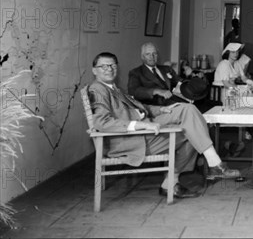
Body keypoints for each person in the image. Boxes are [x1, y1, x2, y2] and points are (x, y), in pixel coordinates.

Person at [88, 52, 240, 199]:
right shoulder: (98, 89)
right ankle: (205, 168)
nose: (109, 69)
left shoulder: (113, 88)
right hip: (130, 140)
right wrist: (141, 125)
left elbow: (141, 108)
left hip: (145, 127)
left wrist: (161, 109)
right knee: (191, 128)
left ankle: (187, 176)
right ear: (94, 70)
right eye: (104, 66)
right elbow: (101, 122)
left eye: (112, 65)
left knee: (188, 114)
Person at [128, 42, 209, 107]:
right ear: (142, 57)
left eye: (154, 53)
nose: (152, 57)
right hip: (157, 106)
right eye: (148, 54)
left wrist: (193, 78)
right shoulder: (136, 72)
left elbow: (179, 81)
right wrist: (156, 91)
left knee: (204, 105)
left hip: (176, 100)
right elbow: (134, 91)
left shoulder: (166, 69)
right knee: (191, 109)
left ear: (157, 55)